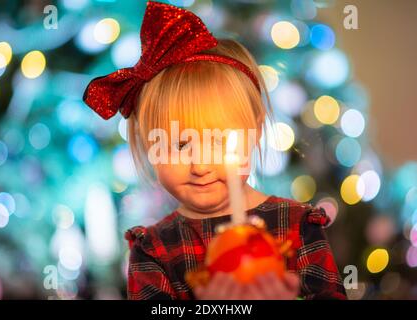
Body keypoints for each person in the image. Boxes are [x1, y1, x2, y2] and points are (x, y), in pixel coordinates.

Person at [83, 0, 347, 300]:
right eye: (180, 145)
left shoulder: (297, 228)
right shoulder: (154, 250)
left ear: (256, 131)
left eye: (219, 141)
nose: (200, 166)